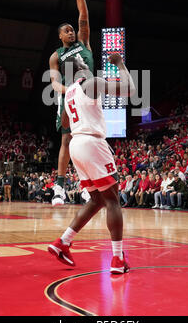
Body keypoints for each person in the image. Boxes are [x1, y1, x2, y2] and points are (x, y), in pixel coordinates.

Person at [48, 52, 135, 274]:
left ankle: (63, 242)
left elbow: (66, 122)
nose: (87, 62)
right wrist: (119, 64)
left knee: (97, 200)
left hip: (76, 145)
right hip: (92, 142)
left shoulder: (68, 94)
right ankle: (117, 259)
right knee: (113, 200)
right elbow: (130, 90)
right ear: (79, 67)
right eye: (84, 61)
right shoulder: (91, 82)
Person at [49, 0, 94, 189]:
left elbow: (83, 13)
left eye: (72, 29)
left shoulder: (84, 41)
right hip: (69, 97)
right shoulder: (56, 56)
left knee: (88, 139)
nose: (71, 31)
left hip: (90, 94)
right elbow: (55, 83)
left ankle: (87, 184)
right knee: (67, 139)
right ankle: (59, 185)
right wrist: (69, 91)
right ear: (60, 36)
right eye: (66, 30)